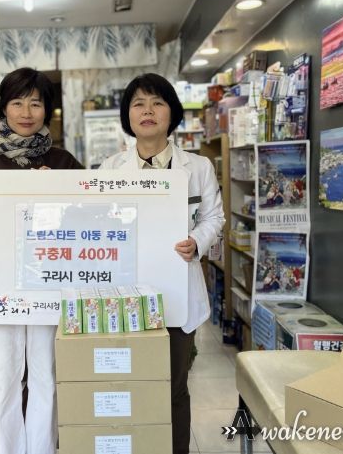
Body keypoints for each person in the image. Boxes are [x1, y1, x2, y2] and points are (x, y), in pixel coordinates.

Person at [100, 73, 225, 454]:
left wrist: (197, 241)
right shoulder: (110, 169)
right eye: (138, 103)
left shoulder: (197, 167)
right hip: (125, 294)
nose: (148, 111)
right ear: (128, 115)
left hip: (177, 293)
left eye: (157, 102)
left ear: (172, 113)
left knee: (173, 388)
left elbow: (214, 217)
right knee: (128, 383)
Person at [0, 67, 83, 454]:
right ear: (3, 108)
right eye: (17, 102)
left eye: (35, 103)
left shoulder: (64, 163)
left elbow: (86, 225)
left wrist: (56, 195)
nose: (26, 112)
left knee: (46, 377)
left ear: (48, 109)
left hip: (50, 285)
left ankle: (43, 448)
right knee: (2, 380)